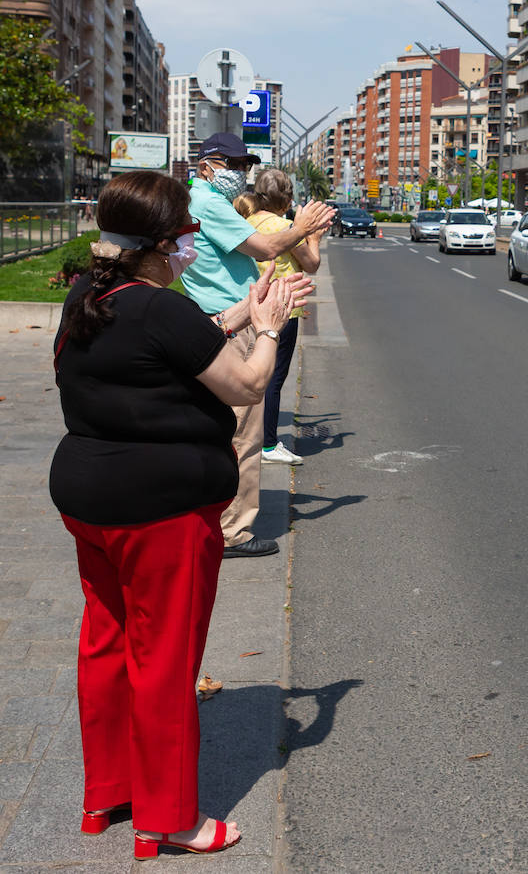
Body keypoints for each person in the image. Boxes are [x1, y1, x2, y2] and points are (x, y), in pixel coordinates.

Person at [50, 170, 306, 860]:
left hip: (88, 500)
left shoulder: (91, 294)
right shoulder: (162, 308)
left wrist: (241, 312)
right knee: (164, 657)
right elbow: (248, 384)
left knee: (104, 643)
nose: (193, 245)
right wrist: (271, 329)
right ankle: (171, 818)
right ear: (160, 244)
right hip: (160, 510)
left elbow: (173, 345)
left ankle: (107, 794)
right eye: (187, 235)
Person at [181, 132, 335, 558]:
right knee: (243, 432)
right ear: (207, 164)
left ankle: (214, 515)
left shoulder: (199, 201)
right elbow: (266, 246)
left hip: (217, 315)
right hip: (235, 321)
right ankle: (234, 531)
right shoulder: (209, 203)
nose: (239, 174)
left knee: (223, 425)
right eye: (232, 165)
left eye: (244, 166)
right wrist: (302, 228)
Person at [245, 169, 324, 466]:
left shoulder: (247, 223)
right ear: (287, 199)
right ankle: (267, 443)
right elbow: (312, 264)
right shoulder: (288, 227)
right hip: (281, 311)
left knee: (249, 374)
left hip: (248, 307)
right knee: (273, 378)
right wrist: (314, 236)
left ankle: (248, 437)